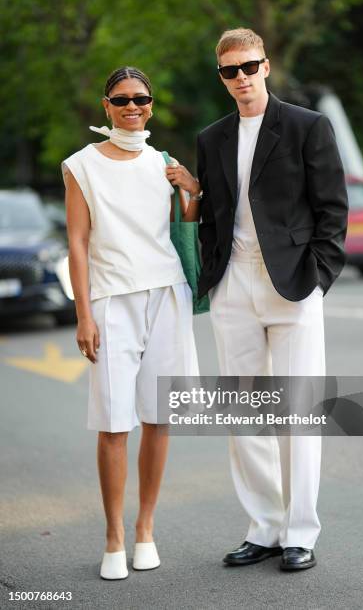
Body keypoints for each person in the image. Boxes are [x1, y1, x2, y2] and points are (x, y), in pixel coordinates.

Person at [195, 29, 348, 571]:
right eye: (229, 71)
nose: (240, 78)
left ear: (266, 66)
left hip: (293, 285)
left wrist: (318, 279)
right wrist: (214, 274)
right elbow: (213, 212)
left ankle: (300, 533)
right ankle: (264, 526)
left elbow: (332, 210)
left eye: (248, 66)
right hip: (233, 286)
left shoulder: (308, 127)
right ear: (221, 76)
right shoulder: (211, 137)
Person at [61, 66, 200, 580]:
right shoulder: (81, 165)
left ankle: (145, 528)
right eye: (121, 99)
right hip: (111, 301)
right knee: (115, 424)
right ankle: (113, 536)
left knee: (159, 417)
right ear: (106, 105)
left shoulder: (163, 162)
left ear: (151, 104)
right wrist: (83, 313)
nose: (132, 106)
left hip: (166, 293)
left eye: (140, 98)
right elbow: (77, 241)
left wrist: (193, 189)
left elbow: (183, 228)